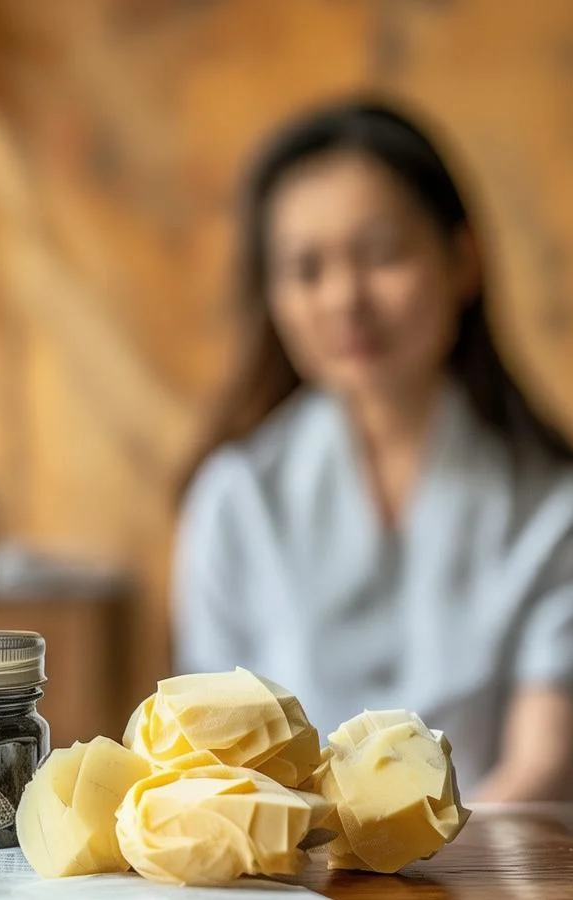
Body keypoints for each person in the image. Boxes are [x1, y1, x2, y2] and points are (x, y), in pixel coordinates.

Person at [173, 99, 573, 801]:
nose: (345, 298)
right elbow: (207, 759)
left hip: (490, 858)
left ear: (463, 260)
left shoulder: (554, 507)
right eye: (306, 269)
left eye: (383, 254)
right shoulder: (235, 497)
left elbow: (544, 765)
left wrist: (429, 854)